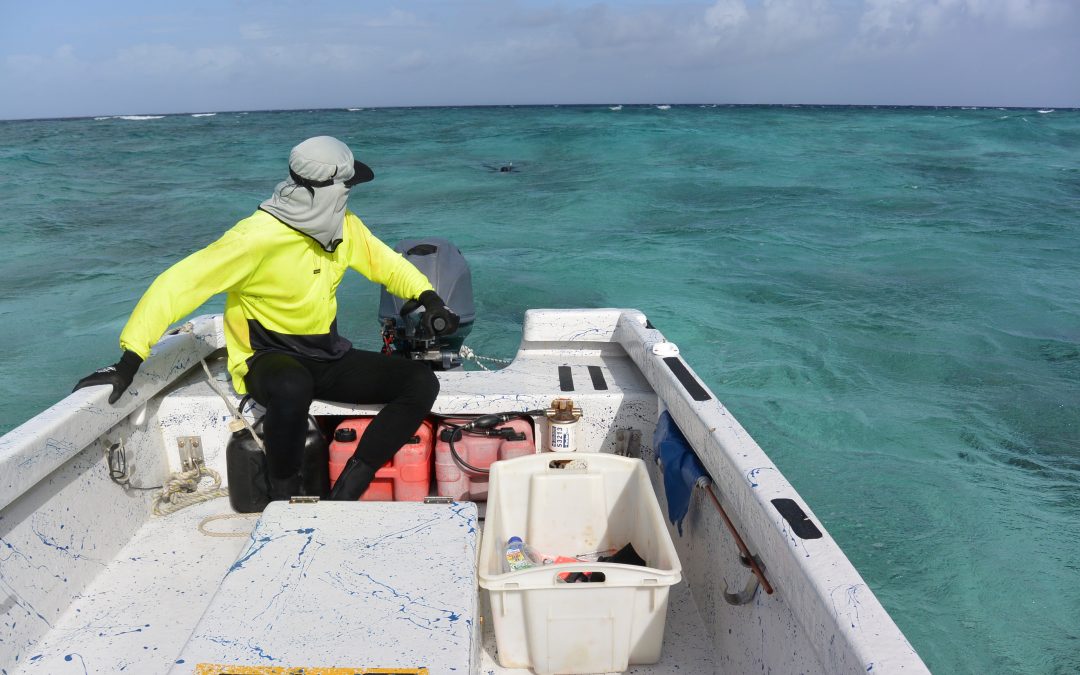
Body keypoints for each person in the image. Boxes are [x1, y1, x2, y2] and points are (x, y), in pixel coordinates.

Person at [73, 136, 458, 501]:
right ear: (326, 190)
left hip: (324, 353)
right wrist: (129, 360)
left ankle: (350, 486)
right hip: (266, 359)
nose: (349, 193)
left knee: (419, 382)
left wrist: (428, 297)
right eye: (347, 185)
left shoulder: (344, 226)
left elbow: (387, 264)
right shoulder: (254, 238)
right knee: (293, 387)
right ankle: (285, 494)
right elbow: (176, 285)